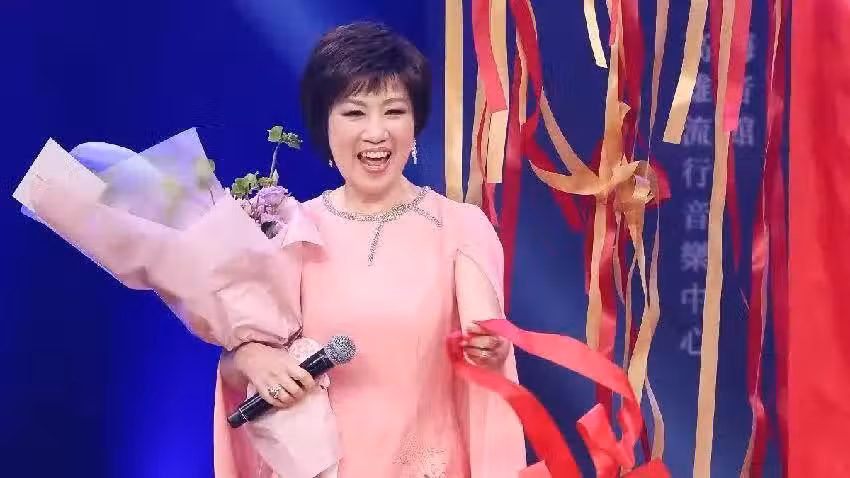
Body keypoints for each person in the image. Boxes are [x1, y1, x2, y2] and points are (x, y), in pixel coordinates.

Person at [217, 21, 527, 477]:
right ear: (325, 123)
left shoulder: (459, 226)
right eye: (355, 113)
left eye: (394, 111)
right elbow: (237, 364)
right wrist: (251, 357)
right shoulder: (289, 229)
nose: (376, 132)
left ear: (416, 123)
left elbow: (486, 335)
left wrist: (491, 347)